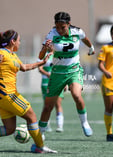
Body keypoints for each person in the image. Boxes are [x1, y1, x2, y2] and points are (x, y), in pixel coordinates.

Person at [0, 29, 57, 154]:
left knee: (9, 129)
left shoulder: (13, 55)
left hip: (1, 99)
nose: (20, 43)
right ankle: (40, 147)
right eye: (19, 41)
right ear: (12, 41)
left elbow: (25, 67)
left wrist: (42, 62)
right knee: (31, 116)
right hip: (8, 96)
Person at [38, 11, 95, 139]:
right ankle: (40, 133)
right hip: (57, 73)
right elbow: (40, 57)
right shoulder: (51, 35)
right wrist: (45, 49)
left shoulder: (77, 31)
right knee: (48, 106)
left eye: (62, 27)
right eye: (57, 27)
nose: (59, 30)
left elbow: (85, 39)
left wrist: (91, 48)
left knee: (76, 94)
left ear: (69, 24)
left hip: (74, 71)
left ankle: (85, 122)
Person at [38, 52, 65, 132]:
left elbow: (63, 69)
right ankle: (47, 125)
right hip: (46, 83)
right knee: (47, 105)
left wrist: (65, 82)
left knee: (58, 104)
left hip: (58, 82)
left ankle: (60, 126)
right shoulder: (44, 55)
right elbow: (40, 68)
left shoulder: (60, 53)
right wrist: (47, 74)